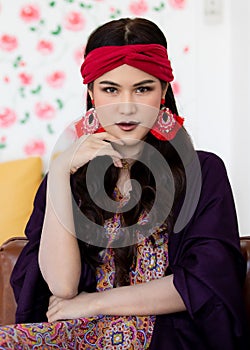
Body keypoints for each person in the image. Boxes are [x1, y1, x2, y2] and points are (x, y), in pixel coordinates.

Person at [0, 17, 248, 349]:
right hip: (81, 336)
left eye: (143, 88)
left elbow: (205, 281)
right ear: (91, 93)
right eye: (110, 89)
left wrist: (94, 304)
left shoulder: (203, 171)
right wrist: (59, 173)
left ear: (163, 92)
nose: (127, 106)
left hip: (167, 338)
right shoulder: (66, 177)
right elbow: (61, 287)